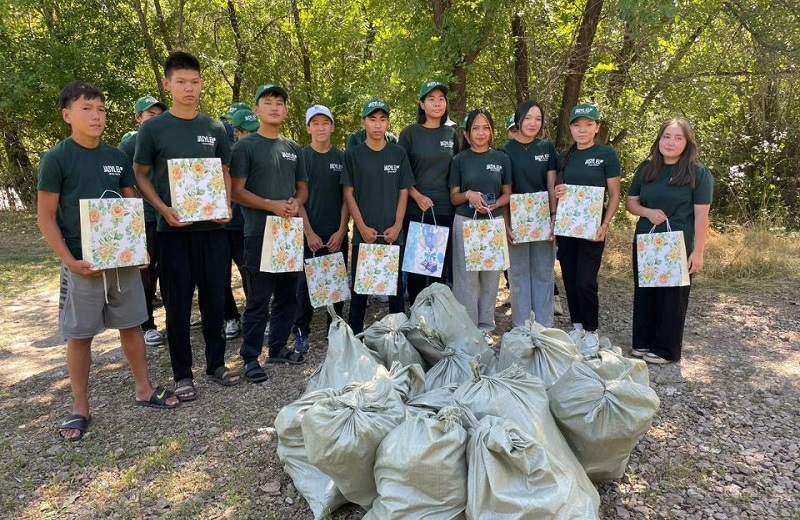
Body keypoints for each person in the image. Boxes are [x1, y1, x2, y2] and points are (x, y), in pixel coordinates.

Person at [38, 82, 180, 441]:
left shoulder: (117, 156)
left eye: (100, 109)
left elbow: (131, 206)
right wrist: (70, 261)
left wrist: (138, 248)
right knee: (80, 335)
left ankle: (144, 389)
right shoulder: (56, 159)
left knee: (132, 324)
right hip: (83, 264)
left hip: (121, 261)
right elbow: (46, 217)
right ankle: (80, 407)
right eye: (87, 109)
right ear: (67, 115)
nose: (96, 116)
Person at [134, 51, 240, 401]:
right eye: (181, 82)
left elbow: (224, 171)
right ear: (167, 84)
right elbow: (140, 174)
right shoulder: (152, 128)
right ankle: (182, 374)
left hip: (212, 230)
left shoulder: (214, 128)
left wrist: (227, 204)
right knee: (178, 303)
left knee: (214, 296)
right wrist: (163, 208)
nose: (189, 88)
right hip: (173, 231)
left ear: (202, 84)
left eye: (194, 82)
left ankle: (216, 363)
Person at [230, 83, 308, 383]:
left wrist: (295, 202)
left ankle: (277, 347)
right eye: (268, 102)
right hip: (258, 233)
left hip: (288, 231)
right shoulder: (244, 147)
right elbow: (236, 192)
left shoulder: (292, 149)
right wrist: (271, 205)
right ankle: (250, 356)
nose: (274, 107)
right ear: (257, 110)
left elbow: (303, 188)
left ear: (285, 111)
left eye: (279, 102)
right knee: (259, 298)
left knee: (289, 294)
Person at [626, 118, 713, 364]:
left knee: (672, 298)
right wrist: (647, 212)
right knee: (645, 293)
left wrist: (698, 252)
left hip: (678, 244)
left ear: (687, 143)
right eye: (666, 136)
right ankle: (642, 343)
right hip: (647, 241)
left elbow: (701, 215)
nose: (671, 142)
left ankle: (667, 350)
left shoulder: (698, 173)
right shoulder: (646, 169)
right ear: (659, 139)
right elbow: (631, 203)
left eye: (678, 138)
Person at [342, 99, 414, 334]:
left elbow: (404, 191)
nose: (377, 124)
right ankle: (354, 340)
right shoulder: (353, 155)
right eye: (372, 119)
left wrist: (397, 225)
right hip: (365, 235)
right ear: (363, 122)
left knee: (394, 293)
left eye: (382, 119)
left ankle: (398, 341)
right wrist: (360, 227)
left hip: (393, 234)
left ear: (388, 123)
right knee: (360, 292)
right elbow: (348, 193)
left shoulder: (398, 153)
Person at [555, 103, 621, 349]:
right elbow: (557, 191)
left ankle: (591, 330)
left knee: (586, 281)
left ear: (597, 127)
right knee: (570, 278)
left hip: (593, 229)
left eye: (588, 125)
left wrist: (605, 223)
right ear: (570, 128)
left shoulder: (606, 155)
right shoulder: (563, 157)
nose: (582, 130)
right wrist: (557, 191)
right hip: (567, 228)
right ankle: (577, 327)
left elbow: (614, 194)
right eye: (577, 125)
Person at [449, 108, 512, 345]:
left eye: (486, 127)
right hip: (465, 222)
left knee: (490, 278)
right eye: (475, 128)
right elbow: (454, 197)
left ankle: (485, 327)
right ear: (466, 134)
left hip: (492, 224)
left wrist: (495, 204)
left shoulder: (501, 158)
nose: (480, 132)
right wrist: (469, 195)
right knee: (466, 279)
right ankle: (467, 328)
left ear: (492, 132)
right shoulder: (459, 160)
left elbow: (508, 194)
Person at [291, 105, 349, 351]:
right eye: (315, 123)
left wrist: (341, 229)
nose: (321, 127)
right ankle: (301, 331)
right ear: (308, 128)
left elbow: (347, 197)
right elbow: (297, 197)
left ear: (332, 126)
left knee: (336, 283)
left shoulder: (342, 158)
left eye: (325, 122)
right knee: (304, 286)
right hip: (309, 232)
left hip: (335, 231)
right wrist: (308, 232)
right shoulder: (301, 157)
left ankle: (334, 328)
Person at [397, 80, 459, 305]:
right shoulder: (410, 133)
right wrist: (416, 195)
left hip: (445, 210)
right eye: (431, 99)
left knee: (439, 270)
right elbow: (401, 173)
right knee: (416, 270)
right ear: (422, 104)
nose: (437, 103)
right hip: (416, 210)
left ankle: (437, 319)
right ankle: (416, 317)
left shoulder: (451, 134)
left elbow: (457, 171)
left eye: (441, 99)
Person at [501, 100, 558, 327]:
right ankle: (522, 326)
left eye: (538, 119)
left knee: (544, 271)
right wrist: (505, 223)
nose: (533, 123)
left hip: (544, 218)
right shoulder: (504, 151)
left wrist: (554, 217)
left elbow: (551, 184)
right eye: (528, 118)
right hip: (516, 220)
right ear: (518, 120)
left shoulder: (547, 148)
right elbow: (504, 190)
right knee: (518, 274)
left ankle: (544, 327)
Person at [119, 96, 168, 347]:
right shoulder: (129, 146)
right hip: (144, 219)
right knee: (146, 274)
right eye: (150, 115)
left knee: (170, 271)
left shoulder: (168, 141)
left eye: (160, 114)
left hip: (170, 217)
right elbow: (123, 183)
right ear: (139, 118)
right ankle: (147, 325)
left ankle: (174, 320)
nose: (156, 119)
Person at [222, 108, 260, 340]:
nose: (251, 135)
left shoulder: (257, 152)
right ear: (235, 131)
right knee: (221, 277)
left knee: (250, 273)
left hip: (245, 226)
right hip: (220, 226)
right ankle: (230, 318)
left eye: (254, 130)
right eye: (247, 131)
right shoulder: (226, 154)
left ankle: (255, 316)